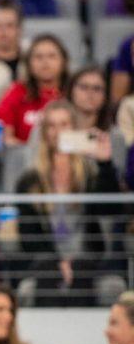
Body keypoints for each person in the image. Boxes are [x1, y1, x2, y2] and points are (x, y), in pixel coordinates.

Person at [13, 99, 120, 304]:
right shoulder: (29, 180)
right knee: (49, 271)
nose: (57, 131)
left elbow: (111, 208)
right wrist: (58, 263)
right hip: (46, 261)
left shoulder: (91, 174)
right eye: (51, 126)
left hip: (88, 258)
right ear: (44, 132)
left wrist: (105, 163)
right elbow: (29, 236)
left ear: (74, 128)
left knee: (81, 269)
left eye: (64, 124)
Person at [0, 34, 69, 146]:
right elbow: (6, 139)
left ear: (64, 62)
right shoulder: (16, 92)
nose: (45, 62)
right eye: (38, 57)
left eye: (52, 56)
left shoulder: (75, 92)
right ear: (29, 64)